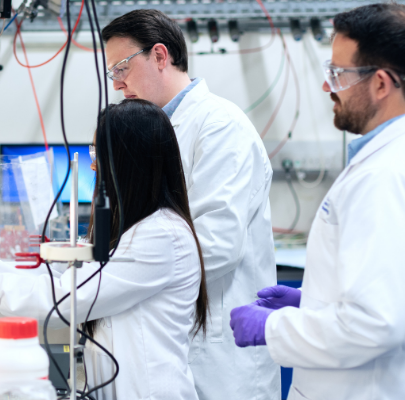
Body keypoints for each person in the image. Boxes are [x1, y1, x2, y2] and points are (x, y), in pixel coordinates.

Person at [228, 4, 405, 400]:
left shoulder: (389, 175)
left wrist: (272, 329)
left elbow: (373, 325)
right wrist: (313, 300)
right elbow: (401, 291)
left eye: (338, 74)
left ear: (381, 83)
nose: (328, 87)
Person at [0, 99, 208, 400]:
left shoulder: (162, 236)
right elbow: (62, 272)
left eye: (98, 152)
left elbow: (68, 297)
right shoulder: (134, 227)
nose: (91, 163)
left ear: (129, 161)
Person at [101, 9, 279, 399]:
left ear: (160, 56)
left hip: (219, 353)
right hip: (176, 339)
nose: (117, 84)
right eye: (112, 73)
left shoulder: (219, 125)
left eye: (122, 68)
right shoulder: (155, 129)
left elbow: (216, 245)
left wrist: (119, 279)